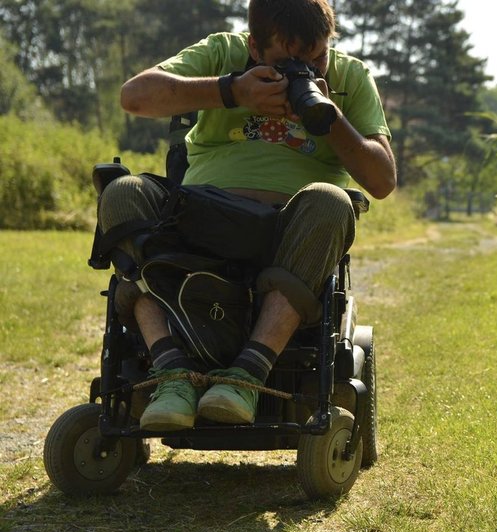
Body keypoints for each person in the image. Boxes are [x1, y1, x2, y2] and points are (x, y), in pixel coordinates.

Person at [98, 0, 396, 432]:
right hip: (196, 219)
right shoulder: (224, 52)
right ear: (255, 47)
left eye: (317, 58)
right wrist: (232, 91)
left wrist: (329, 119)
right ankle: (171, 373)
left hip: (288, 230)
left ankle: (246, 378)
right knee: (121, 193)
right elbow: (135, 96)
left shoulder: (349, 76)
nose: (308, 72)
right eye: (289, 63)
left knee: (333, 201)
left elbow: (383, 181)